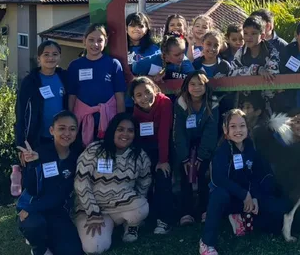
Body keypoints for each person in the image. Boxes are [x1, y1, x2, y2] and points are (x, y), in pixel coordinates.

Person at [199, 109, 288, 255]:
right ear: (225, 130)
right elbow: (219, 179)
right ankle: (207, 242)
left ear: (247, 128)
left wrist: (254, 196)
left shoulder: (250, 148)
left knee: (276, 211)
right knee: (220, 194)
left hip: (246, 199)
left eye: (242, 126)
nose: (238, 130)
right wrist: (244, 194)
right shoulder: (222, 150)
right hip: (228, 199)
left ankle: (242, 219)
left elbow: (255, 176)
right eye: (233, 126)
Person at [74, 113, 151, 253]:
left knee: (141, 207)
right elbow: (81, 183)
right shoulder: (95, 150)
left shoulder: (139, 155)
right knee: (95, 248)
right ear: (112, 130)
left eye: (130, 131)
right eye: (120, 129)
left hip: (121, 205)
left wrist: (138, 197)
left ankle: (131, 225)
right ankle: (108, 227)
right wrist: (92, 212)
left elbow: (145, 180)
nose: (125, 134)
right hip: (90, 210)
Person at [15, 111, 83, 255]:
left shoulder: (77, 157)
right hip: (31, 208)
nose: (67, 133)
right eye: (61, 128)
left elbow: (62, 192)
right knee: (35, 225)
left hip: (55, 209)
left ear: (76, 132)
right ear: (52, 130)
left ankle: (47, 235)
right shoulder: (39, 153)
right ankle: (38, 247)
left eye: (72, 129)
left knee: (73, 251)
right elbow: (32, 189)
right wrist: (33, 164)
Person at [129, 76, 174, 235]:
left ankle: (164, 220)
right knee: (142, 180)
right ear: (133, 99)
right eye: (139, 95)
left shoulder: (165, 103)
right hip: (145, 149)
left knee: (162, 177)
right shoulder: (135, 111)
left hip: (164, 147)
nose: (145, 97)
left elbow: (164, 132)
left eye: (148, 92)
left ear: (154, 90)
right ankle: (144, 217)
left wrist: (163, 160)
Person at [67, 25, 126, 146]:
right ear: (84, 40)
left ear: (106, 42)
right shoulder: (75, 65)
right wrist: (70, 121)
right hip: (82, 121)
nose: (95, 44)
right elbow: (72, 96)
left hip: (108, 119)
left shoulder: (113, 64)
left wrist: (120, 122)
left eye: (100, 40)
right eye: (91, 40)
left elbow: (119, 98)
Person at [174, 71, 218, 225]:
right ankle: (186, 211)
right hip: (186, 144)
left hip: (205, 146)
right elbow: (178, 131)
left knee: (204, 173)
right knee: (185, 172)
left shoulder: (212, 103)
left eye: (201, 84)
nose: (197, 87)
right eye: (192, 84)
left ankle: (205, 209)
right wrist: (185, 158)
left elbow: (211, 131)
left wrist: (201, 156)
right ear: (186, 86)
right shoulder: (180, 103)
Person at [15, 40, 72, 152]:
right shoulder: (30, 81)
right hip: (38, 138)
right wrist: (21, 144)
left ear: (60, 58)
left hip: (62, 137)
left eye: (55, 54)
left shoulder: (65, 77)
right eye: (46, 54)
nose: (50, 58)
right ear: (38, 58)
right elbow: (20, 112)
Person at [232, 15, 280, 82]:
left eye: (253, 33)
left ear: (262, 36)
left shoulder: (271, 53)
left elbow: (272, 76)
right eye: (245, 33)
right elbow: (232, 73)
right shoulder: (240, 53)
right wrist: (255, 69)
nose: (248, 37)